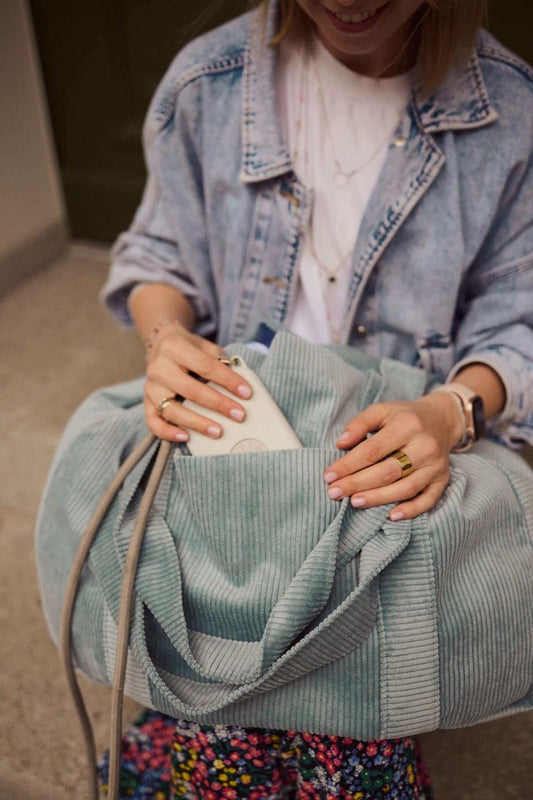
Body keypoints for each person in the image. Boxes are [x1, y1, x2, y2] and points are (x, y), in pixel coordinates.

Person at [98, 0, 533, 797]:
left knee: (340, 661)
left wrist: (449, 414)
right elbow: (158, 252)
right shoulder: (207, 81)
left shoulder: (513, 114)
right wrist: (167, 344)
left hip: (396, 438)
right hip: (243, 424)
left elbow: (518, 321)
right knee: (219, 623)